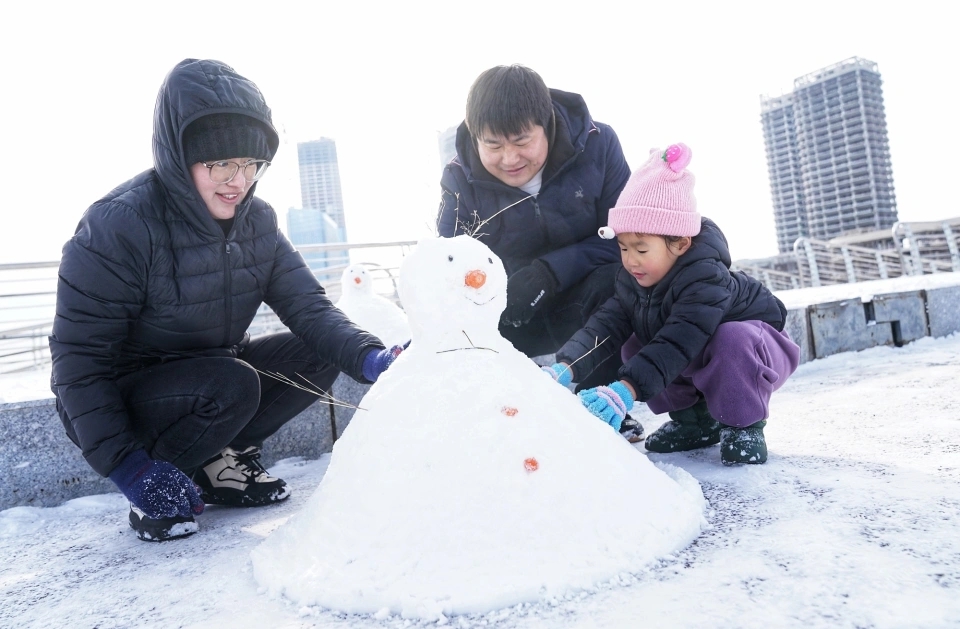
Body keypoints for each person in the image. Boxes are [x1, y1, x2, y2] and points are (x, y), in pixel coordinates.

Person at [49, 59, 404, 542]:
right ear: (180, 155)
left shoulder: (256, 221)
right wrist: (129, 468)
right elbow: (77, 363)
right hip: (134, 401)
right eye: (221, 163)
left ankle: (218, 463)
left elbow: (308, 307)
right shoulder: (120, 225)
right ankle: (159, 481)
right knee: (228, 382)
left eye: (252, 164)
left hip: (214, 379)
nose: (239, 181)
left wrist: (372, 357)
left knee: (312, 354)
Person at [543, 143, 801, 465]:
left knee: (730, 339)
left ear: (680, 243)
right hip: (698, 350)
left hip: (758, 350)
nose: (630, 261)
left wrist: (626, 389)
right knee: (636, 341)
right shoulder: (634, 280)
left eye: (641, 248)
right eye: (623, 248)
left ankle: (743, 426)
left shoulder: (705, 278)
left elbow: (679, 339)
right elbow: (605, 326)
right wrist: (565, 366)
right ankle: (695, 423)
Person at [436, 64, 632, 393]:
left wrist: (548, 273)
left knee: (619, 282)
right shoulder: (458, 179)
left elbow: (626, 237)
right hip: (510, 311)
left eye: (521, 141)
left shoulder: (598, 144)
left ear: (547, 124)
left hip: (582, 302)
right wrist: (500, 292)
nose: (510, 158)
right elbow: (447, 268)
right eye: (494, 146)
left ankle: (601, 401)